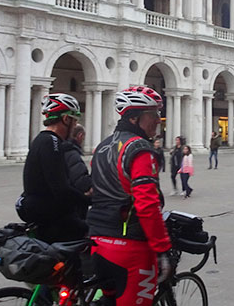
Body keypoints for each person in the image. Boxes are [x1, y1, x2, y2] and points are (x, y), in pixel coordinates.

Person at [87, 86, 174, 306]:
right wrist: (162, 247)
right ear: (135, 118)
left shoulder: (102, 147)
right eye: (153, 114)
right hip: (129, 247)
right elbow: (147, 205)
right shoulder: (140, 150)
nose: (158, 120)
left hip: (97, 242)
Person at [16, 93, 88, 243]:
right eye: (74, 121)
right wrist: (88, 200)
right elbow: (60, 188)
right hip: (50, 216)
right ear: (66, 119)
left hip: (40, 212)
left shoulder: (42, 140)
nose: (75, 126)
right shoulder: (52, 142)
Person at [62, 123, 93, 220]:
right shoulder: (72, 154)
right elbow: (82, 182)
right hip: (74, 208)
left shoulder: (56, 149)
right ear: (80, 136)